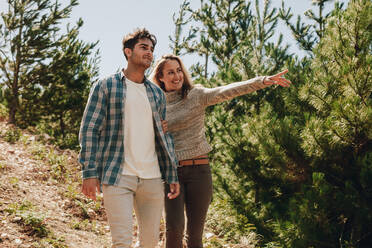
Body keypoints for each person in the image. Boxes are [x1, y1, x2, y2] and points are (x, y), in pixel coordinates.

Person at [150, 54, 292, 248]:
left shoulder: (196, 95)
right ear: (160, 78)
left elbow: (228, 90)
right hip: (171, 173)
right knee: (174, 230)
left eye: (179, 70)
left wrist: (262, 81)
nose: (177, 76)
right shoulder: (156, 104)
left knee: (195, 236)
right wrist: (156, 128)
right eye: (170, 72)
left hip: (199, 172)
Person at [78, 30, 180, 248]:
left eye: (151, 49)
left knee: (150, 243)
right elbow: (89, 130)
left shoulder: (156, 94)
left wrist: (172, 174)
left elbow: (164, 137)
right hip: (118, 175)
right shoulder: (106, 86)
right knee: (122, 242)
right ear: (128, 51)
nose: (149, 53)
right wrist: (89, 172)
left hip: (152, 178)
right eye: (144, 47)